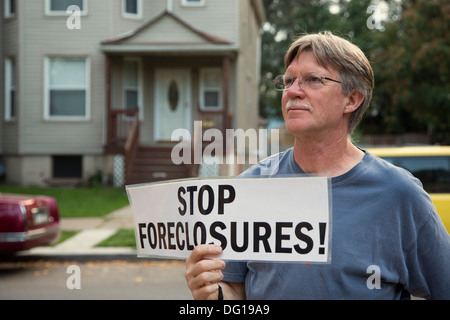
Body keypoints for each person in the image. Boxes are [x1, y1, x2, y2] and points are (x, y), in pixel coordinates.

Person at [185, 31, 450, 299]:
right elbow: (235, 289)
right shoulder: (249, 188)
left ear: (352, 99)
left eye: (313, 80)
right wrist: (212, 293)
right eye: (288, 80)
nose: (293, 91)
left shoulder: (399, 194)